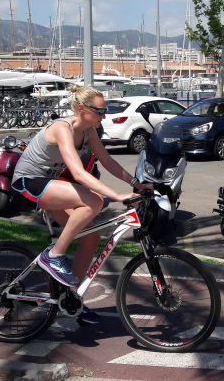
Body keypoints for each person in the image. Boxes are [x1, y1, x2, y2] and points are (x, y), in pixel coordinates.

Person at [12, 85, 146, 323]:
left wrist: (137, 183)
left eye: (105, 111)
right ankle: (54, 255)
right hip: (28, 181)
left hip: (50, 184)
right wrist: (116, 196)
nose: (104, 116)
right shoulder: (62, 128)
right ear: (82, 109)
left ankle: (71, 298)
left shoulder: (89, 131)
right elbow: (78, 173)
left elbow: (108, 162)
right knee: (92, 201)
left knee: (91, 238)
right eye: (99, 111)